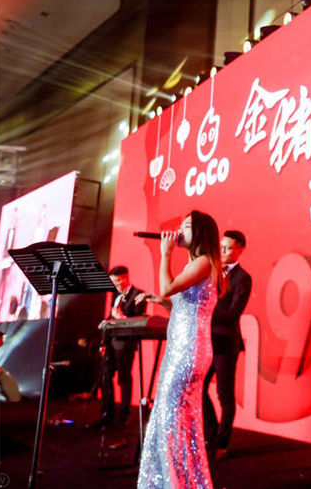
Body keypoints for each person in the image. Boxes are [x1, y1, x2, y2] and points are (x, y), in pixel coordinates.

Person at [138, 210, 225, 489]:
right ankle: (177, 481)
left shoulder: (204, 262)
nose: (179, 230)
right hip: (180, 346)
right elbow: (182, 305)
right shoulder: (196, 264)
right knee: (177, 418)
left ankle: (175, 482)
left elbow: (167, 287)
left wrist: (165, 253)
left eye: (187, 226)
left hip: (189, 349)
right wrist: (160, 301)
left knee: (171, 416)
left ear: (200, 233)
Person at [203, 230, 252, 461]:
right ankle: (212, 433)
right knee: (198, 388)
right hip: (206, 340)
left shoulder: (243, 278)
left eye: (228, 247)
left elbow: (233, 313)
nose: (222, 251)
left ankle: (222, 443)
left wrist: (205, 312)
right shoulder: (210, 273)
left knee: (224, 395)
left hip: (226, 343)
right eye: (221, 247)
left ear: (240, 249)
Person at [92, 266, 147, 428]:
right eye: (112, 282)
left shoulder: (138, 295)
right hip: (110, 341)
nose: (115, 285)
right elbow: (112, 315)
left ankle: (124, 414)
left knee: (123, 378)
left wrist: (121, 318)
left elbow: (139, 320)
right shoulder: (115, 294)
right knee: (105, 376)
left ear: (125, 278)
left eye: (117, 281)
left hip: (125, 343)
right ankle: (107, 413)